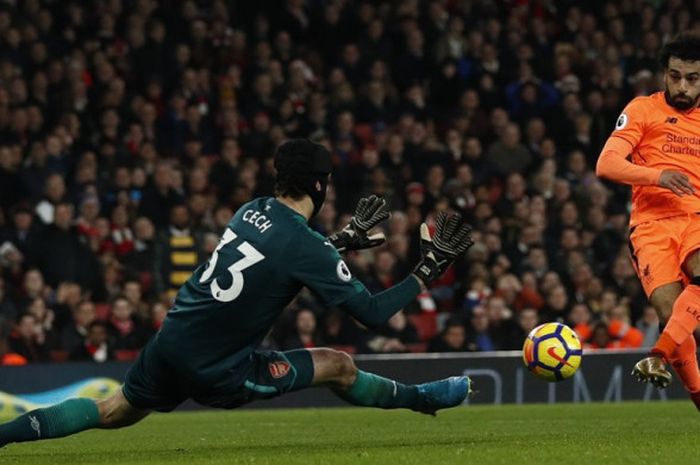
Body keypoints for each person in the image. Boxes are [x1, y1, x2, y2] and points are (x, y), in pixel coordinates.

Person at [0, 139, 474, 447]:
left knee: (114, 410)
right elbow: (370, 314)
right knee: (338, 364)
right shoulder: (305, 246)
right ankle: (421, 400)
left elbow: (274, 259)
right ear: (319, 184)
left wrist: (341, 242)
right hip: (217, 370)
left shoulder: (252, 210)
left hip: (171, 341)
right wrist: (424, 272)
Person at [596, 32, 700, 409]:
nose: (683, 86)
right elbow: (606, 164)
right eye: (675, 76)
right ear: (664, 75)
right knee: (672, 314)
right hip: (651, 224)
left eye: (692, 78)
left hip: (696, 216)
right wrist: (659, 175)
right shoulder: (642, 109)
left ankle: (656, 354)